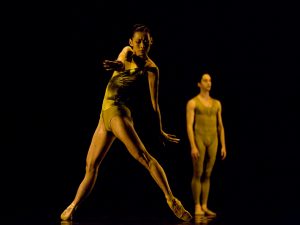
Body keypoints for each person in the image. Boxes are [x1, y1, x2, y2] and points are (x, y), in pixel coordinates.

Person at [60, 24, 192, 222]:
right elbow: (122, 62)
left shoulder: (151, 68)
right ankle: (73, 206)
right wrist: (117, 65)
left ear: (150, 43)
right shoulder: (127, 51)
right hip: (103, 116)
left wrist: (160, 130)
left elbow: (154, 105)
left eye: (145, 41)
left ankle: (171, 199)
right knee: (91, 166)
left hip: (118, 114)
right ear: (131, 42)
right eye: (138, 41)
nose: (141, 44)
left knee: (143, 157)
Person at [186, 73, 227, 216]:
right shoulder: (193, 103)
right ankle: (197, 205)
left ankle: (204, 205)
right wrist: (193, 145)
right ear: (199, 83)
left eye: (210, 80)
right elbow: (189, 126)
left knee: (208, 173)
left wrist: (223, 145)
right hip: (199, 139)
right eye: (205, 80)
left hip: (213, 140)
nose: (208, 83)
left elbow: (220, 126)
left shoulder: (217, 103)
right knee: (198, 172)